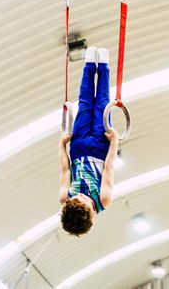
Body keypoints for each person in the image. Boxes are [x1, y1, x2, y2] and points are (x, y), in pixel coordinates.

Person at [59, 47, 119, 236]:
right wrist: (115, 142)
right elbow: (109, 168)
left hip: (78, 149)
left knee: (84, 103)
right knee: (102, 104)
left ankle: (88, 65)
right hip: (101, 149)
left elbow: (65, 169)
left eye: (76, 197)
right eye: (84, 199)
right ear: (92, 213)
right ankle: (103, 66)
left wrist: (62, 145)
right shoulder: (104, 199)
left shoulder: (65, 198)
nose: (80, 195)